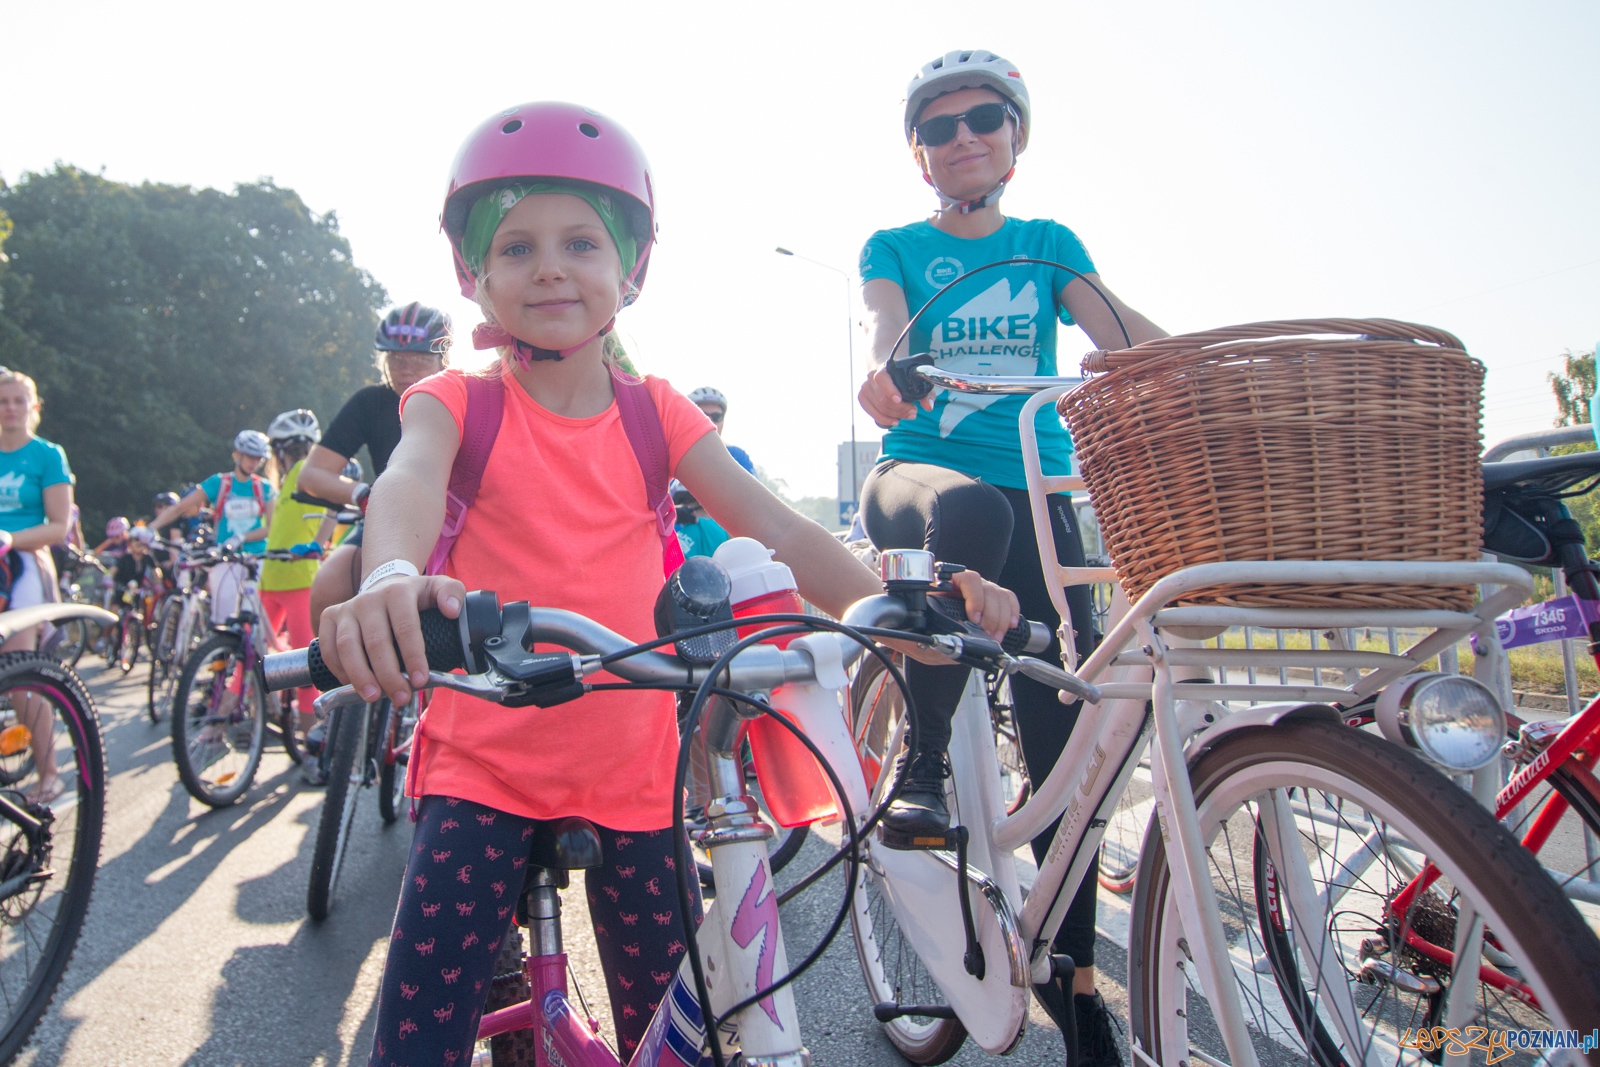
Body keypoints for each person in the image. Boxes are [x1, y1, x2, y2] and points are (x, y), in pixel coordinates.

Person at [315, 102, 1018, 1066]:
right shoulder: (456, 400)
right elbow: (405, 480)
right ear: (474, 275)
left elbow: (774, 521)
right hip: (483, 765)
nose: (550, 266)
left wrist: (897, 605)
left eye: (580, 242)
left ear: (630, 269)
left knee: (680, 1031)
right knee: (417, 1035)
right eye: (515, 246)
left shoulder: (658, 414)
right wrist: (393, 572)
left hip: (637, 774)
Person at [854, 50, 1168, 1062]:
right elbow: (888, 330)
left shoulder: (1045, 243)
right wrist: (889, 372)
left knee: (1058, 738)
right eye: (938, 126)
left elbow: (1126, 339)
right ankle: (923, 768)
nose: (964, 137)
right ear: (918, 153)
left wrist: (1208, 370)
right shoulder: (895, 243)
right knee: (973, 510)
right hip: (922, 487)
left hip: (1040, 497)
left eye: (984, 117)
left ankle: (1071, 977)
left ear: (1015, 135)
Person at [302, 303, 451, 628]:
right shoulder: (369, 402)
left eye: (420, 360)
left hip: (453, 517)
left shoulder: (461, 394)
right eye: (397, 360)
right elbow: (311, 475)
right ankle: (336, 679)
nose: (406, 370)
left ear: (443, 359)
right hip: (388, 512)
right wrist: (362, 494)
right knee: (328, 586)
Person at [0, 367, 76, 802]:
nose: (10, 408)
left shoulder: (47, 455)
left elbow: (59, 526)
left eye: (18, 401)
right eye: (2, 401)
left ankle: (49, 771)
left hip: (24, 565)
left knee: (19, 672)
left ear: (33, 408)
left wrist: (9, 539)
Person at [152, 430, 277, 625]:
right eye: (250, 457)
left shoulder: (265, 488)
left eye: (258, 459)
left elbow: (272, 527)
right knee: (222, 620)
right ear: (238, 454)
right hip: (225, 557)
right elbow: (180, 508)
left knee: (256, 620)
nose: (254, 463)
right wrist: (150, 528)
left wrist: (242, 537)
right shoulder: (219, 483)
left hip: (257, 558)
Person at [259, 409, 325, 762]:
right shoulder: (283, 483)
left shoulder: (300, 474)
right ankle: (301, 737)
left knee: (301, 669)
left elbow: (331, 511)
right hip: (277, 577)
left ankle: (310, 745)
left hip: (293, 579)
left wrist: (321, 543)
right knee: (285, 663)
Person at [684, 386, 756, 475]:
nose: (710, 422)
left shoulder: (737, 456)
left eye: (716, 416)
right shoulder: (670, 457)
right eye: (702, 415)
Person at [671, 480, 731, 558]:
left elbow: (670, 559)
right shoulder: (722, 531)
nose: (683, 506)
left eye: (685, 502)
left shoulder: (697, 526)